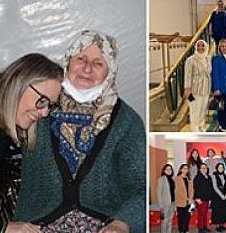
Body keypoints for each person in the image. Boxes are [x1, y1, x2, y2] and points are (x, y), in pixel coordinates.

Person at [13, 31, 145, 232]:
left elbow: (140, 187)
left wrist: (121, 224)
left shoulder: (126, 122)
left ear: (110, 71)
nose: (87, 68)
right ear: (67, 62)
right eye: (80, 59)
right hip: (36, 225)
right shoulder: (37, 105)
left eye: (98, 63)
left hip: (104, 226)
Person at [0, 53, 63, 233]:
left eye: (49, 105)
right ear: (18, 84)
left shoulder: (4, 129)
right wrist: (2, 227)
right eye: (42, 101)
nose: (44, 113)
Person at [185, 40, 212, 132]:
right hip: (195, 89)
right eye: (198, 46)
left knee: (203, 109)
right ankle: (194, 129)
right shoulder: (191, 59)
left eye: (203, 46)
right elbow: (187, 75)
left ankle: (201, 125)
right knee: (195, 110)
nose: (200, 48)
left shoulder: (208, 58)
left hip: (206, 88)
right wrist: (188, 89)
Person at [212, 38, 226, 131]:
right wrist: (216, 88)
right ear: (219, 48)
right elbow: (215, 74)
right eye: (222, 46)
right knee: (221, 106)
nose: (225, 48)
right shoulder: (217, 59)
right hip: (222, 87)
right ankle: (222, 123)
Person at [194, 163, 214, 233]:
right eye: (202, 168)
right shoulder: (197, 177)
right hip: (200, 199)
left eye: (205, 168)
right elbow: (195, 188)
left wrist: (210, 199)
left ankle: (205, 227)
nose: (204, 169)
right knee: (200, 214)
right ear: (199, 169)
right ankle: (200, 228)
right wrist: (197, 198)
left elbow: (210, 188)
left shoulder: (209, 177)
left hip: (207, 198)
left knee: (205, 213)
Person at [175, 164, 194, 233]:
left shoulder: (189, 179)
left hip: (189, 202)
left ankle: (186, 230)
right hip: (180, 201)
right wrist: (187, 198)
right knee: (180, 217)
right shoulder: (177, 178)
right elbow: (178, 191)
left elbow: (192, 190)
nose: (185, 170)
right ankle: (181, 230)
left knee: (187, 217)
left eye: (187, 168)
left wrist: (191, 199)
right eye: (184, 168)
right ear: (180, 169)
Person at [211, 163, 226, 231]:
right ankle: (218, 226)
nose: (221, 168)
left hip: (225, 196)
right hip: (217, 196)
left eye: (222, 167)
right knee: (217, 211)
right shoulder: (214, 175)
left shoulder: (225, 175)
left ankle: (222, 224)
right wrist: (222, 196)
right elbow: (215, 187)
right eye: (219, 167)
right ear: (217, 168)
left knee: (223, 211)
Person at [157, 164, 175, 233]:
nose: (169, 170)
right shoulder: (161, 179)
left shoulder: (172, 179)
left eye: (170, 169)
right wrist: (161, 205)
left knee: (170, 220)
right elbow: (159, 193)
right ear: (164, 171)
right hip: (165, 204)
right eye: (167, 169)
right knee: (164, 221)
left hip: (172, 203)